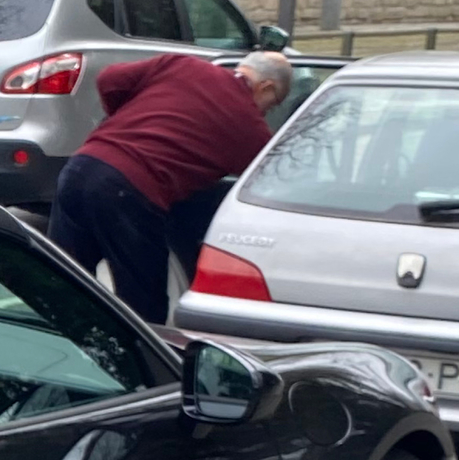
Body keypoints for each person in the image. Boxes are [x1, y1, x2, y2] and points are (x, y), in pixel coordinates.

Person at [48, 49, 294, 324]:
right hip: (130, 191)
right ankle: (137, 362)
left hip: (82, 165)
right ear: (266, 87)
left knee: (63, 280)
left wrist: (127, 122)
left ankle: (56, 346)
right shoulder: (251, 129)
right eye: (272, 104)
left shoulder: (183, 64)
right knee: (142, 302)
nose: (267, 112)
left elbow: (109, 79)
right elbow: (272, 180)